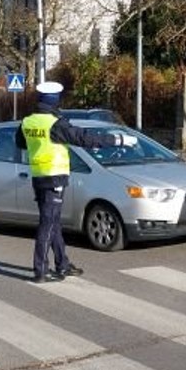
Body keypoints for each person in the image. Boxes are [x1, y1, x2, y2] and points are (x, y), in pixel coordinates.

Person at [16, 81, 132, 283]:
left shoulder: (28, 122)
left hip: (38, 176)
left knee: (53, 222)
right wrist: (117, 141)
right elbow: (83, 138)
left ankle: (62, 264)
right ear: (54, 101)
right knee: (47, 224)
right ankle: (40, 270)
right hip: (54, 178)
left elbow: (20, 143)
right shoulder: (55, 124)